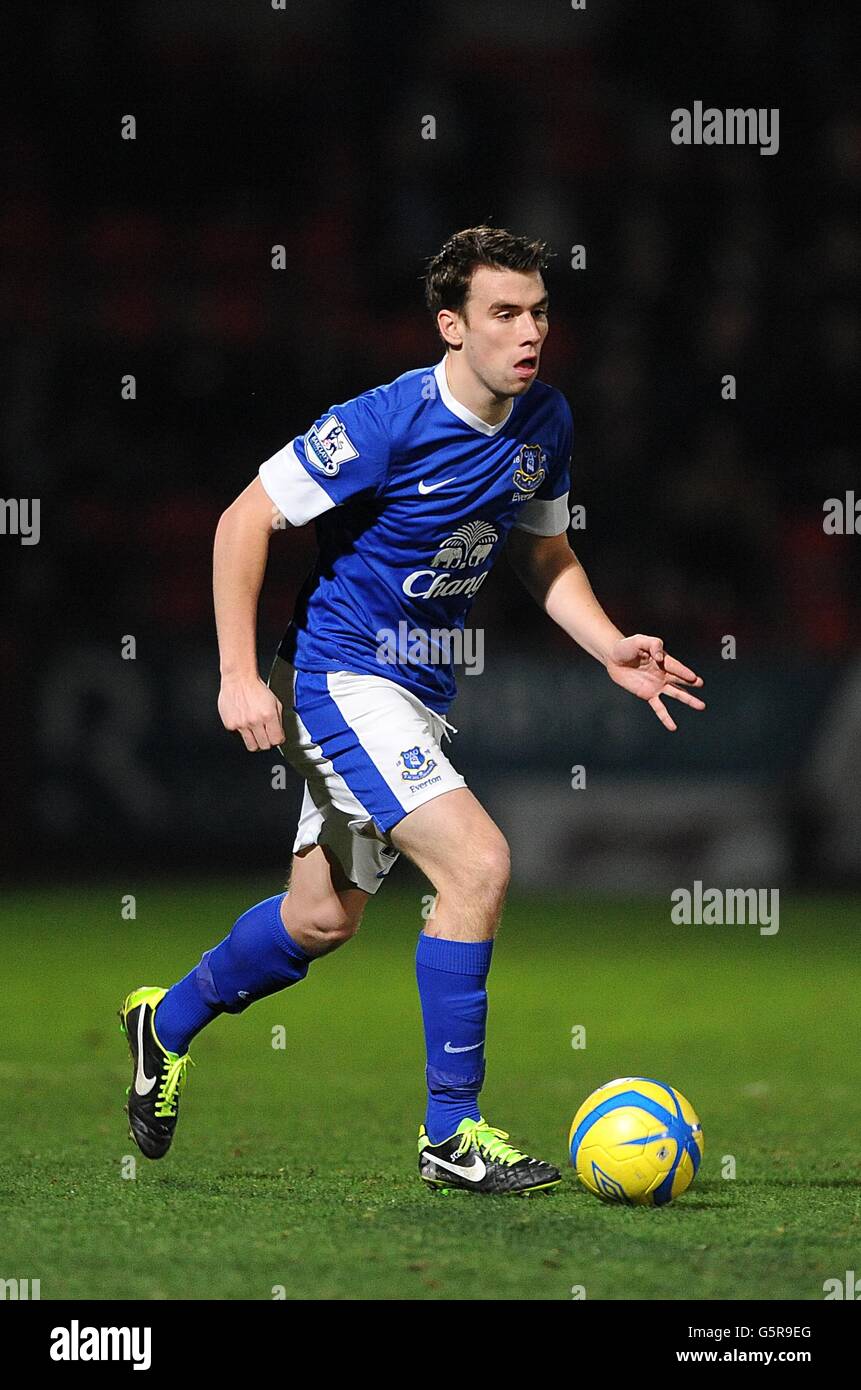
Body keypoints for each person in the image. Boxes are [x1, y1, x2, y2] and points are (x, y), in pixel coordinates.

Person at [120, 226, 705, 1195]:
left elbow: (542, 549)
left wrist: (610, 644)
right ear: (451, 324)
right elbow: (242, 519)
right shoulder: (385, 422)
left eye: (540, 312)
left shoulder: (544, 420)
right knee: (478, 864)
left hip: (418, 690)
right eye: (505, 314)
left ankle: (164, 1022)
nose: (530, 333)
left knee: (319, 921)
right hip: (339, 677)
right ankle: (452, 1131)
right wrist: (236, 674)